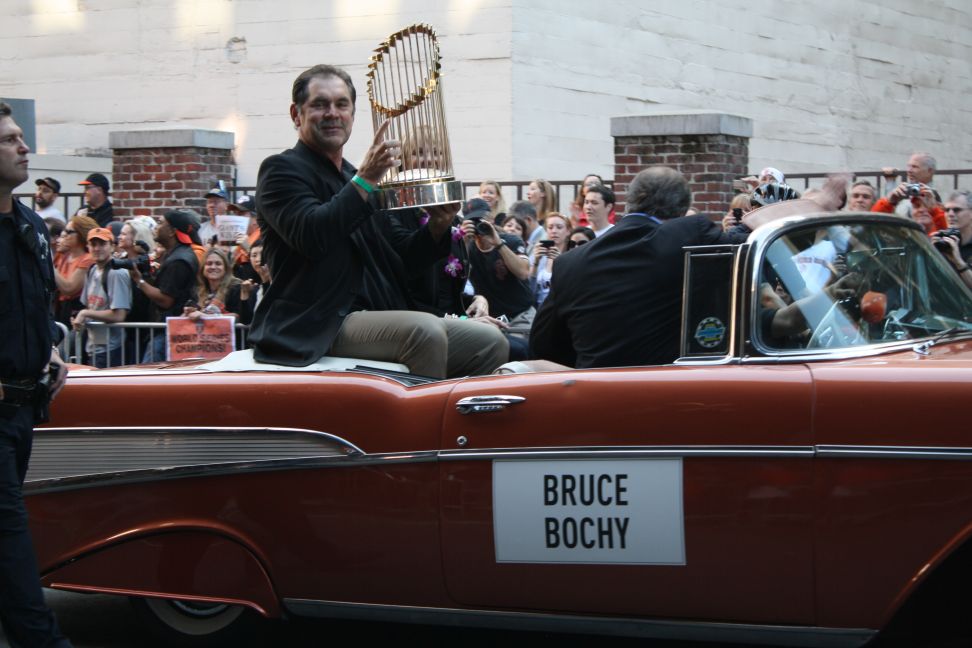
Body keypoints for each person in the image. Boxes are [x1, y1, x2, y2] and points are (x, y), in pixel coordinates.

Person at [248, 64, 507, 378]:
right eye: (320, 104)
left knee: (489, 341)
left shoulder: (353, 176)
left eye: (342, 104)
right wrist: (367, 179)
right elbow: (313, 236)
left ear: (352, 115)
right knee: (423, 331)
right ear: (296, 114)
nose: (332, 113)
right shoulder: (280, 170)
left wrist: (439, 225)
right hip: (317, 321)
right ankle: (419, 426)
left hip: (379, 312)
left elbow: (400, 258)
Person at [531, 166, 749, 369]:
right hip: (671, 391)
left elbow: (543, 346)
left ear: (630, 201)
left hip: (595, 395)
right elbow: (746, 252)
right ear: (682, 211)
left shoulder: (569, 263)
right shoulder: (691, 237)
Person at [0, 101, 73, 647]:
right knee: (12, 546)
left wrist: (50, 347)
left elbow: (37, 306)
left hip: (24, 411)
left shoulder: (28, 225)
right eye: (10, 140)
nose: (25, 147)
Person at [130, 209, 202, 362]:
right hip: (166, 330)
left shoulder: (179, 260)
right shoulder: (175, 254)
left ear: (171, 231)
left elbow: (166, 300)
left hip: (168, 333)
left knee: (150, 380)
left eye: (161, 222)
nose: (156, 226)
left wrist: (139, 280)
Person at [462, 197, 534, 334]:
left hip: (520, 316)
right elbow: (454, 280)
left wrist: (498, 243)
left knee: (520, 350)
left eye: (482, 220)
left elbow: (523, 272)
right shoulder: (466, 247)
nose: (478, 225)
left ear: (491, 219)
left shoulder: (511, 240)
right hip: (490, 320)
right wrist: (463, 242)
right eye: (473, 221)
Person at [72, 228, 132, 368]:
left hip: (112, 347)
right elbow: (90, 306)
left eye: (102, 244)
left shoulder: (117, 273)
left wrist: (85, 313)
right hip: (94, 344)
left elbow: (119, 315)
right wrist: (78, 317)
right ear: (88, 247)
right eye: (93, 244)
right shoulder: (92, 269)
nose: (97, 248)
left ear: (112, 246)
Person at [190, 247, 256, 324]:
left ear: (225, 268)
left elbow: (238, 317)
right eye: (209, 263)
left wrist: (206, 317)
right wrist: (189, 312)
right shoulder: (197, 290)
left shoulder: (237, 288)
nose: (213, 267)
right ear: (203, 268)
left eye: (218, 264)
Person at [53, 214, 97, 326]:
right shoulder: (62, 255)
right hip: (60, 308)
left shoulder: (88, 259)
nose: (64, 235)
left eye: (69, 232)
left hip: (75, 309)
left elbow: (69, 288)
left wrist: (49, 263)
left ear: (81, 234)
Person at [530, 212, 570, 307]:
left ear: (568, 231)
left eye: (559, 227)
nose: (554, 231)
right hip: (539, 309)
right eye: (550, 227)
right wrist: (535, 262)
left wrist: (561, 262)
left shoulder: (572, 254)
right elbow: (529, 290)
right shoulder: (538, 255)